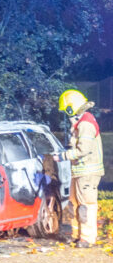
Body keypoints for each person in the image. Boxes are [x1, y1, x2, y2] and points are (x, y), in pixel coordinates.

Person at [55, 88, 104, 248]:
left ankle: (87, 238)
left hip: (87, 172)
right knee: (74, 204)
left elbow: (84, 149)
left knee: (86, 204)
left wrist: (63, 156)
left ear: (71, 108)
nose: (66, 114)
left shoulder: (85, 124)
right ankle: (78, 235)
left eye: (66, 111)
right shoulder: (81, 122)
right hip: (79, 171)